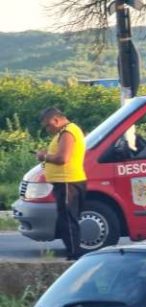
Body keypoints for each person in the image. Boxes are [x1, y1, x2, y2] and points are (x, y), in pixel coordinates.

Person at [36, 108, 87, 260]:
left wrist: (44, 156)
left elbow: (62, 158)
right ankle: (73, 251)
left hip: (68, 182)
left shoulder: (68, 132)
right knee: (66, 218)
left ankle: (74, 253)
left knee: (68, 220)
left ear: (56, 120)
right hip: (65, 182)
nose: (48, 129)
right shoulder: (65, 132)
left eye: (48, 125)